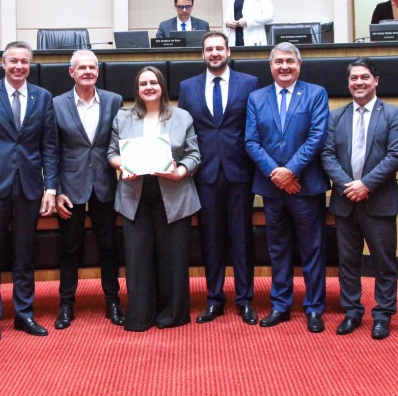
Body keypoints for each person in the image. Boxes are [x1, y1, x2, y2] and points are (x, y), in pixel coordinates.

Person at [0, 41, 58, 340]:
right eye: (13, 61)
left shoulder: (42, 97)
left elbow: (49, 146)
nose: (19, 66)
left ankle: (24, 314)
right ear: (3, 63)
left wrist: (51, 188)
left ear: (30, 64)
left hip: (30, 185)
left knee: (24, 254)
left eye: (24, 61)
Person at [108, 66, 201, 331]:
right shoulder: (123, 117)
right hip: (134, 193)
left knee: (172, 257)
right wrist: (121, 166)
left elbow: (194, 155)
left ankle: (172, 314)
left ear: (162, 86)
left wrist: (179, 172)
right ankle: (140, 315)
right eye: (143, 84)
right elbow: (111, 153)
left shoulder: (182, 117)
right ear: (137, 90)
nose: (148, 87)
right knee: (138, 257)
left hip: (174, 192)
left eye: (153, 83)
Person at [321, 58, 398, 339]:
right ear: (348, 83)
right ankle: (352, 311)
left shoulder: (393, 114)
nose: (359, 83)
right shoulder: (336, 116)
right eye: (354, 78)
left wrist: (366, 184)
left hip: (379, 201)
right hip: (345, 201)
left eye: (364, 77)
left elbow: (397, 155)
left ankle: (383, 314)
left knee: (384, 262)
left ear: (376, 81)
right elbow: (327, 155)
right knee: (348, 261)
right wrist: (349, 185)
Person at [245, 43, 330, 332]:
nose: (284, 67)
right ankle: (280, 305)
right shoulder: (256, 98)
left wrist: (291, 171)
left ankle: (315, 307)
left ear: (299, 65)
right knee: (278, 249)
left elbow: (317, 137)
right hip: (272, 188)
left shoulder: (316, 94)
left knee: (312, 249)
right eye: (279, 61)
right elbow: (251, 141)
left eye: (290, 62)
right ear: (270, 66)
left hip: (305, 186)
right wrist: (275, 174)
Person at [178, 31, 259, 325]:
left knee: (242, 239)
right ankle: (214, 299)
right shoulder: (188, 87)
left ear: (228, 51)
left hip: (240, 173)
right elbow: (184, 131)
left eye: (219, 48)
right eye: (209, 49)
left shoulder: (249, 83)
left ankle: (245, 299)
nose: (214, 53)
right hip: (205, 174)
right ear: (202, 54)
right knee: (211, 240)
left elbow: (254, 126)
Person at [52, 49, 125, 329]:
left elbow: (119, 141)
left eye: (92, 68)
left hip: (105, 185)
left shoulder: (113, 101)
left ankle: (113, 302)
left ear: (98, 71)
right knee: (69, 249)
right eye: (81, 68)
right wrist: (56, 190)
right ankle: (66, 305)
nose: (87, 72)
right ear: (71, 72)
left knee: (109, 247)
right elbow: (52, 150)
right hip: (69, 189)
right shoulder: (56, 104)